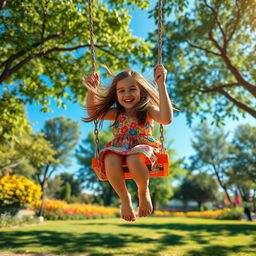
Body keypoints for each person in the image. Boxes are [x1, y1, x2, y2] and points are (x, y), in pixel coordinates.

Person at [83, 64, 173, 222]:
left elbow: (166, 119)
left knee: (134, 157)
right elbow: (93, 113)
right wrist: (92, 90)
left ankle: (143, 191)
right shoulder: (117, 113)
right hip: (118, 148)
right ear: (116, 95)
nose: (127, 94)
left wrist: (161, 85)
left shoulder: (148, 109)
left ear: (141, 91)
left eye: (132, 89)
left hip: (142, 148)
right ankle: (125, 200)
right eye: (121, 91)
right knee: (109, 159)